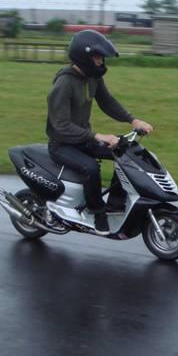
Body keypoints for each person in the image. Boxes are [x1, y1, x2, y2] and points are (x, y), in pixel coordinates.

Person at [46, 29, 153, 235]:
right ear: (84, 57)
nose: (101, 61)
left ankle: (115, 203)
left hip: (82, 139)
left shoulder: (92, 77)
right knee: (90, 169)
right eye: (97, 57)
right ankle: (96, 212)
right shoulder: (64, 83)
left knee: (124, 151)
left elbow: (107, 102)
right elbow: (61, 125)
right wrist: (96, 136)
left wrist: (133, 120)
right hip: (62, 144)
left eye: (102, 57)